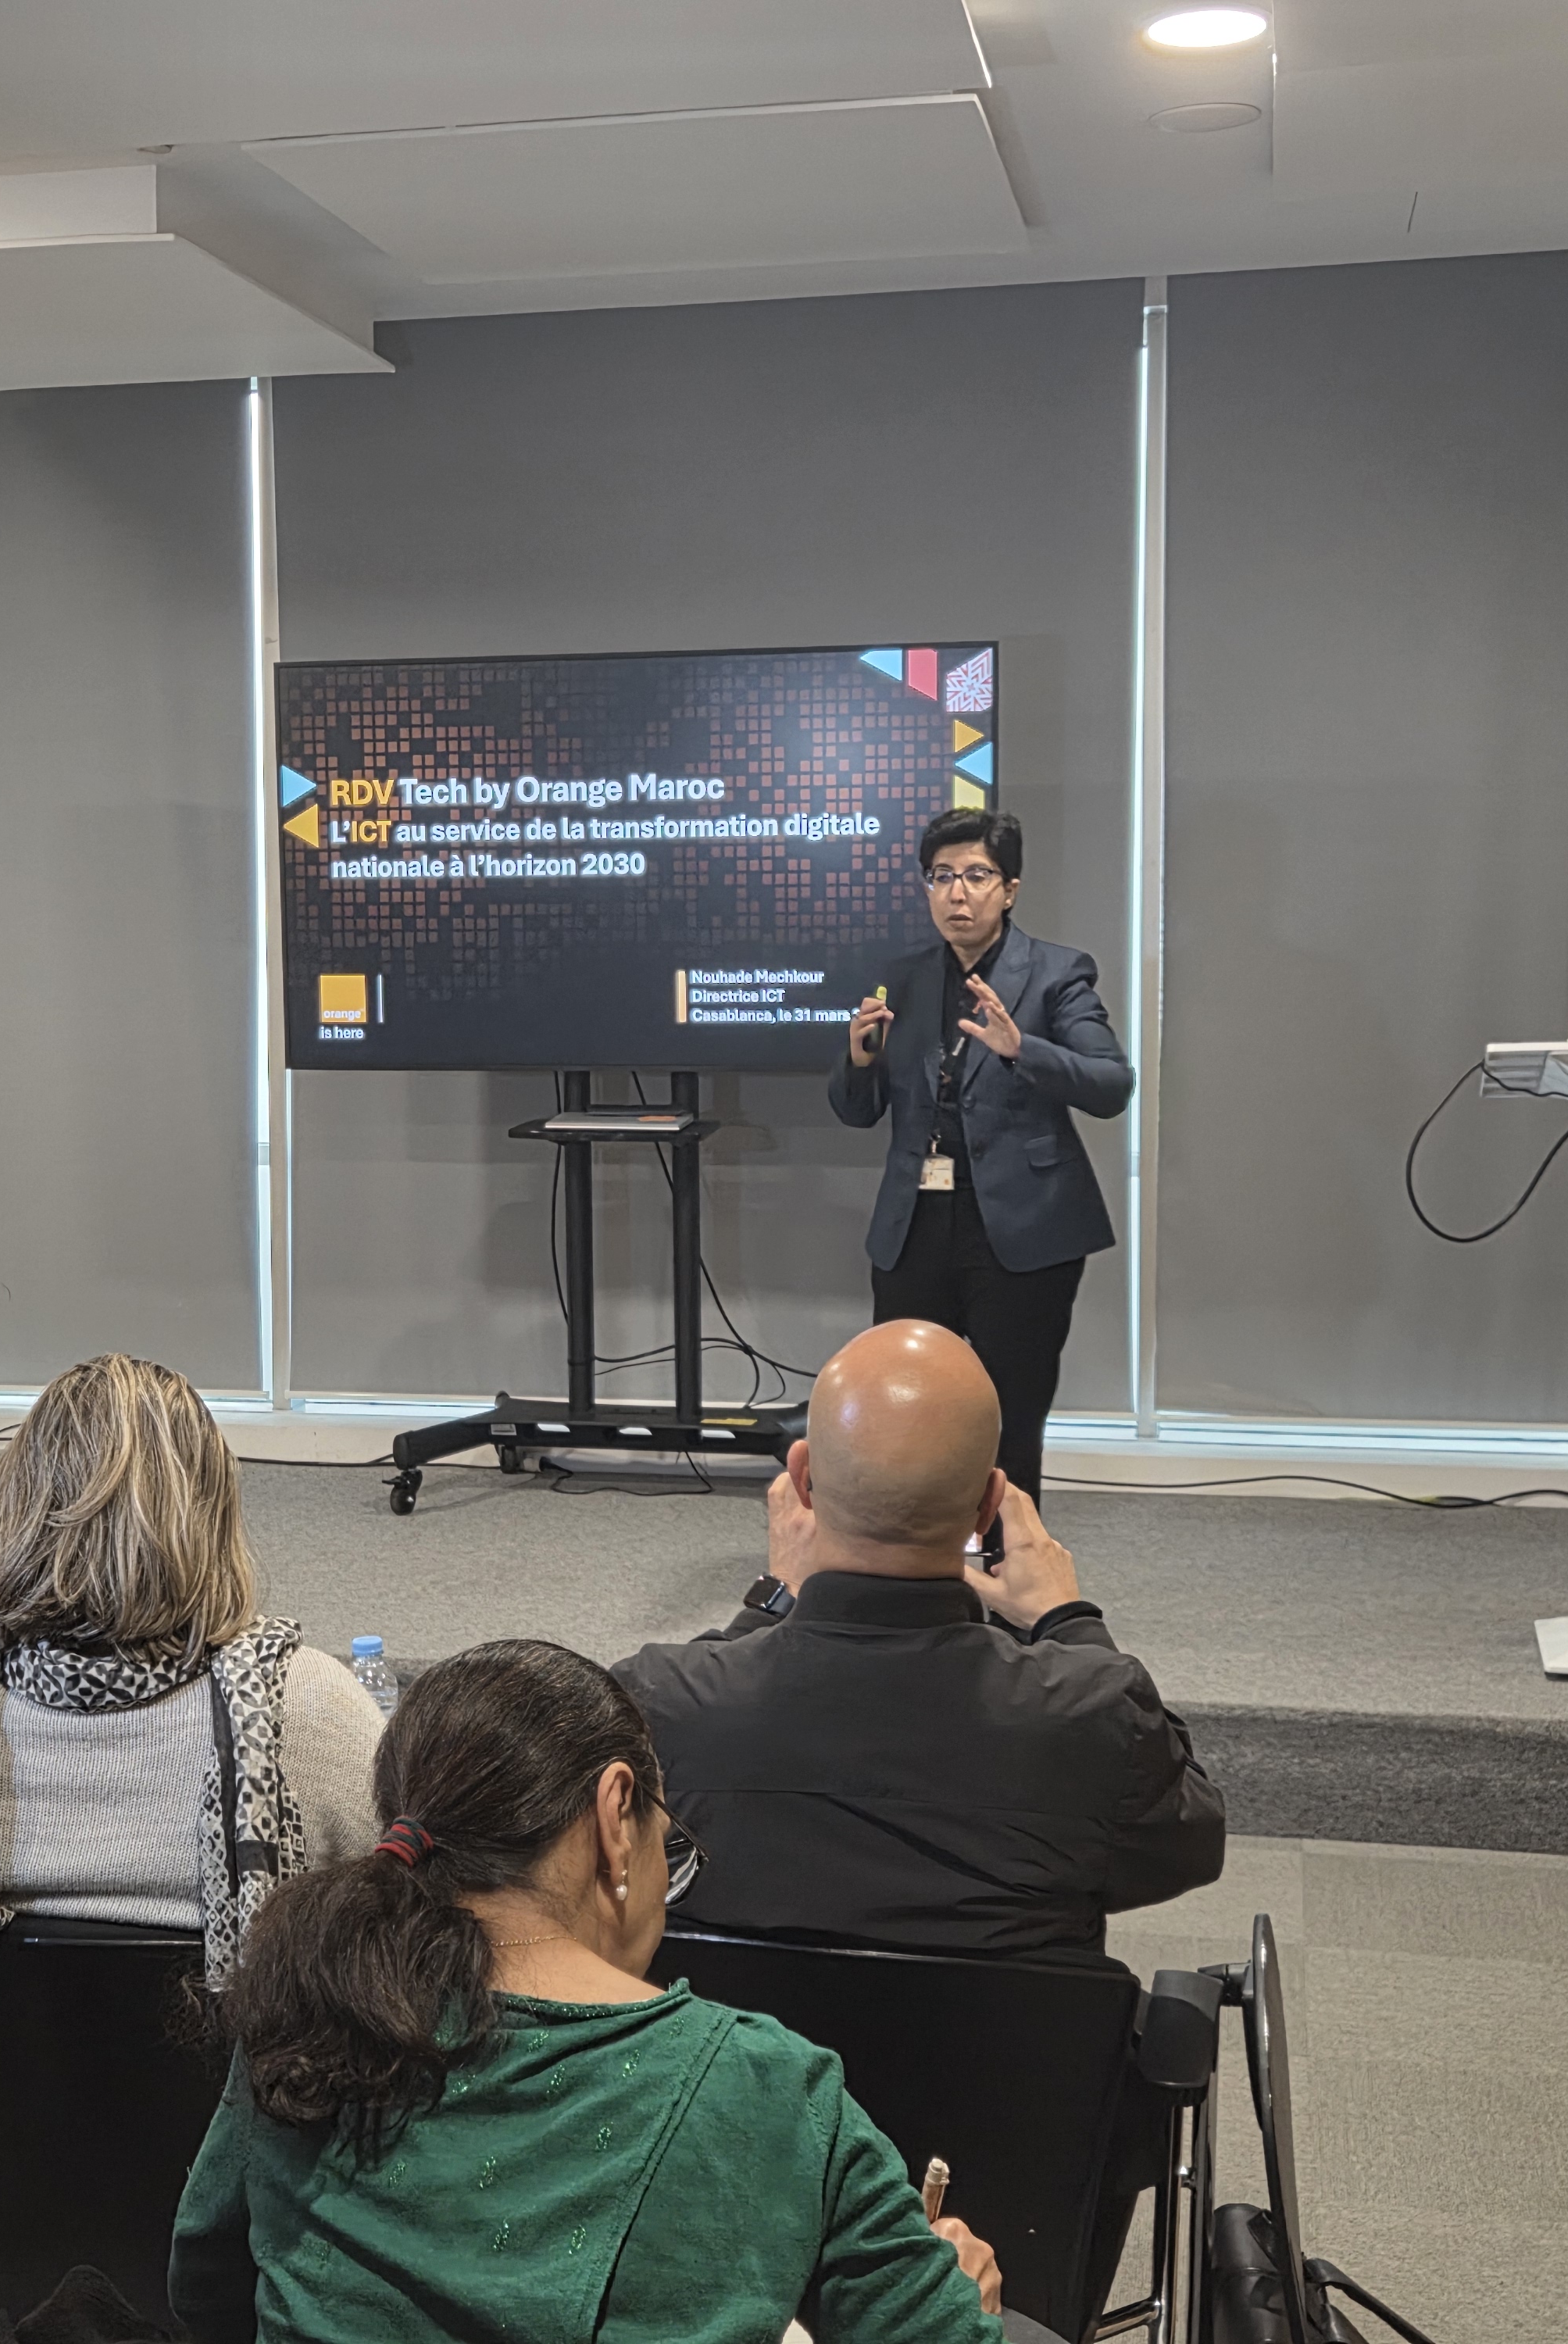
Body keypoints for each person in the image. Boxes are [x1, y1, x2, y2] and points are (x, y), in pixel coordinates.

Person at [174, 1638, 1049, 2344]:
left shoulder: (307, 2019)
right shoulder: (766, 2084)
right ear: (615, 1814)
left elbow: (207, 2291)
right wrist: (961, 2297)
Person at [613, 1320, 1222, 1960]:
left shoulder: (662, 1702)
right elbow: (1186, 1847)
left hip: (735, 2030)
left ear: (802, 1478)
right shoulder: (1093, 1711)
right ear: (989, 1504)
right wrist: (1069, 1619)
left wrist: (773, 1601)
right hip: (1001, 2031)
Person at [0, 1353, 384, 1988]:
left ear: (16, 1504)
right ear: (212, 1513)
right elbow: (401, 1912)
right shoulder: (312, 1707)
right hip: (247, 2052)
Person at [831, 806, 1132, 1505]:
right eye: (941, 877)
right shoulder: (900, 979)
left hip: (1023, 1228)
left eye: (976, 875)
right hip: (915, 1227)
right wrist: (858, 1061)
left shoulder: (1058, 973)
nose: (957, 893)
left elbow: (1111, 1085)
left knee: (1009, 1414)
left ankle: (1005, 1552)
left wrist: (1023, 1049)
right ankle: (915, 1553)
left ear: (1010, 888)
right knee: (906, 1409)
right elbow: (857, 1111)